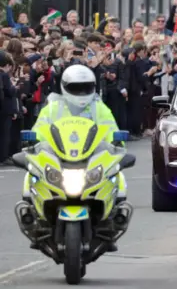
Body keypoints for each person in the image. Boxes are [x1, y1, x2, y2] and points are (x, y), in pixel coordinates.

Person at [31, 64, 121, 250]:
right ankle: (36, 218)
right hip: (59, 159)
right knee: (31, 175)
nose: (81, 92)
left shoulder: (99, 108)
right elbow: (37, 132)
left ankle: (111, 220)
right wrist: (32, 144)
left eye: (85, 87)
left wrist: (117, 143)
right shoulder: (52, 108)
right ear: (64, 86)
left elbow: (113, 132)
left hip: (89, 160)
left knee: (117, 176)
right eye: (76, 88)